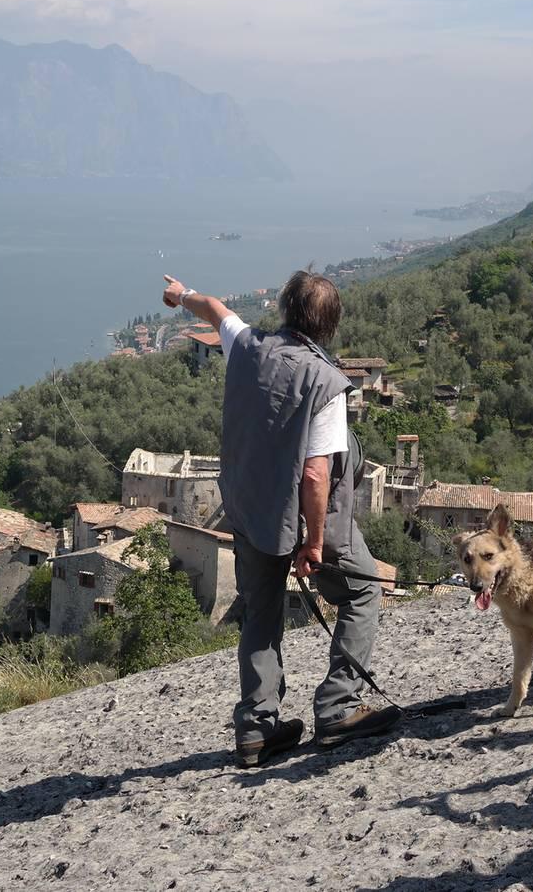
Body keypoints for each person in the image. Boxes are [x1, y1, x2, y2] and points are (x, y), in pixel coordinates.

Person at [161, 270, 400, 768]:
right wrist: (314, 544)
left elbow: (215, 309)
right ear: (330, 325)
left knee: (261, 613)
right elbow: (316, 476)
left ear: (287, 310)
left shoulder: (248, 345)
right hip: (308, 517)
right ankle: (338, 708)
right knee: (362, 590)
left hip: (250, 509)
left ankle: (256, 729)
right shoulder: (326, 382)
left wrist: (181, 295)